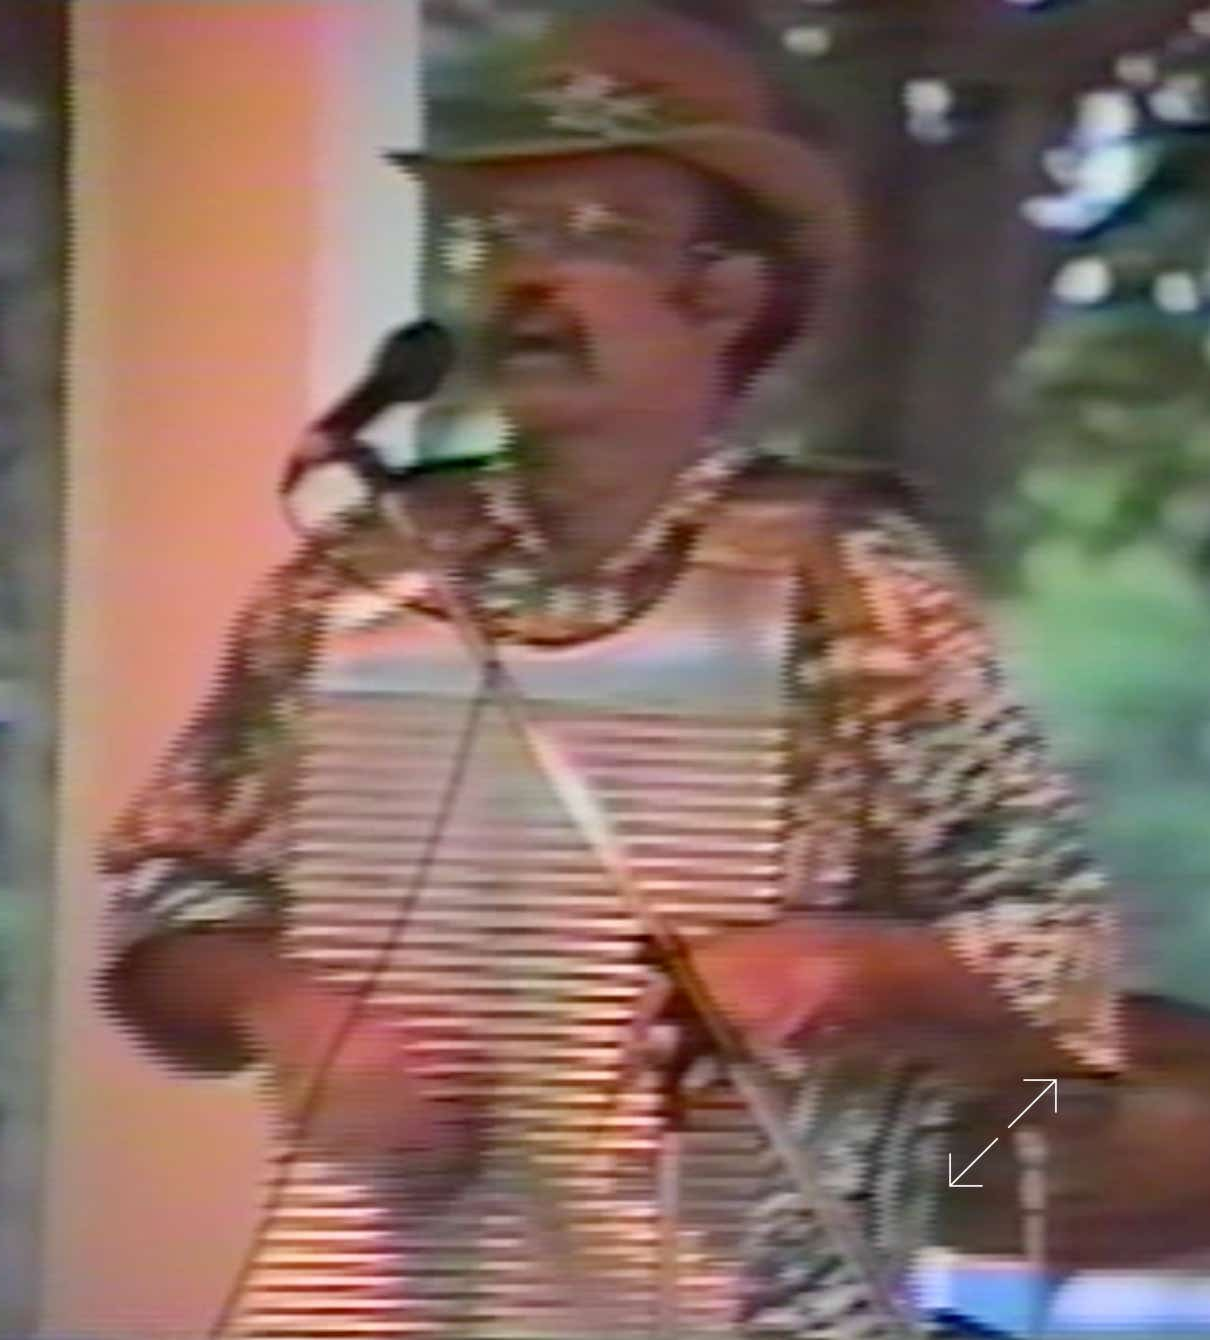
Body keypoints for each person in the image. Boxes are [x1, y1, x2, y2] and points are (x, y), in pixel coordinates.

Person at [97, 8, 1128, 1338]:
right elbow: (161, 916)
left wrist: (832, 969)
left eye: (595, 235)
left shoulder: (850, 584)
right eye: (506, 235)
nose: (527, 279)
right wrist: (273, 1006)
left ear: (724, 295)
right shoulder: (360, 576)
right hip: (374, 1302)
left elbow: (1058, 965)